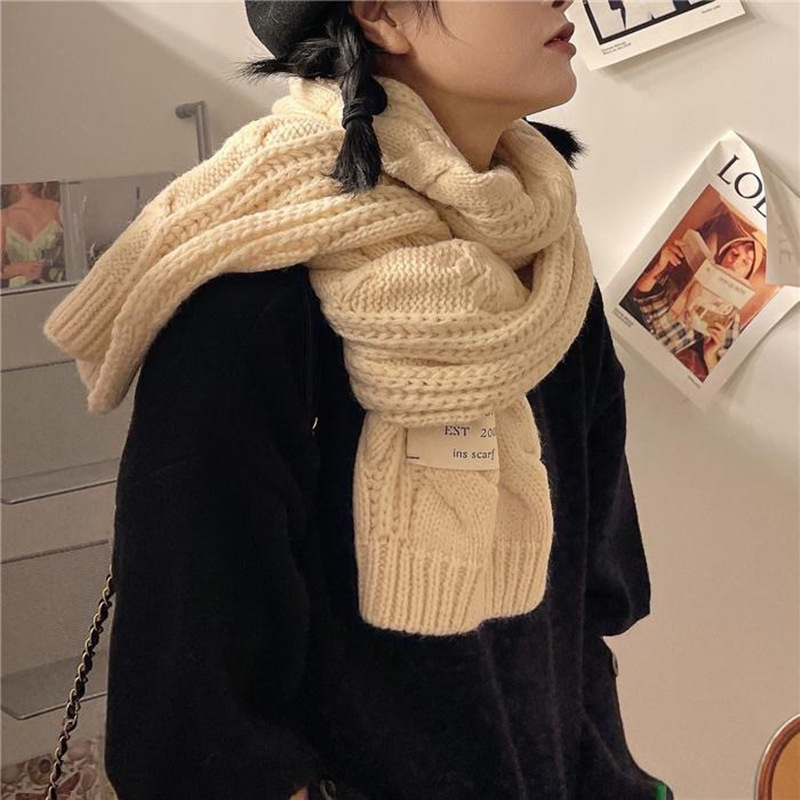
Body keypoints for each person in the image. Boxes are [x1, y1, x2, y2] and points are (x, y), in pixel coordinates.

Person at [43, 2, 675, 798]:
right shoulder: (253, 298)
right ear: (382, 15)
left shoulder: (550, 271)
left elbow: (580, 612)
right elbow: (192, 725)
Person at [629, 213, 764, 376]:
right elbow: (641, 295)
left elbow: (719, 378)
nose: (735, 262)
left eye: (745, 262)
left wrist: (710, 355)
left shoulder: (732, 317)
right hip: (636, 322)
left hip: (660, 356)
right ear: (723, 255)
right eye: (734, 253)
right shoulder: (691, 269)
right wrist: (659, 266)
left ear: (747, 275)